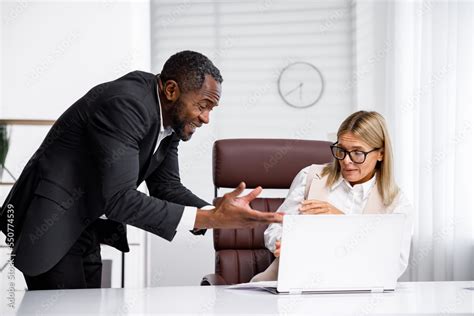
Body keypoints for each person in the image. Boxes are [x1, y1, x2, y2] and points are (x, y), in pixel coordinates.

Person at [0, 50, 282, 290]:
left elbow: (167, 187)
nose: (206, 118)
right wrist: (209, 220)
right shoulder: (127, 105)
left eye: (211, 109)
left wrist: (213, 211)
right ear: (171, 90)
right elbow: (120, 200)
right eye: (203, 105)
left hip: (86, 223)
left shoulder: (170, 120)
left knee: (89, 307)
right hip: (49, 219)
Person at [251, 110, 414, 282]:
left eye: (358, 152)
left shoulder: (396, 203)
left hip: (358, 292)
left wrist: (341, 221)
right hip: (293, 283)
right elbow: (276, 227)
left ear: (380, 153)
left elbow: (394, 265)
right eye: (341, 150)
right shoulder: (310, 177)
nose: (346, 161)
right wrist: (286, 244)